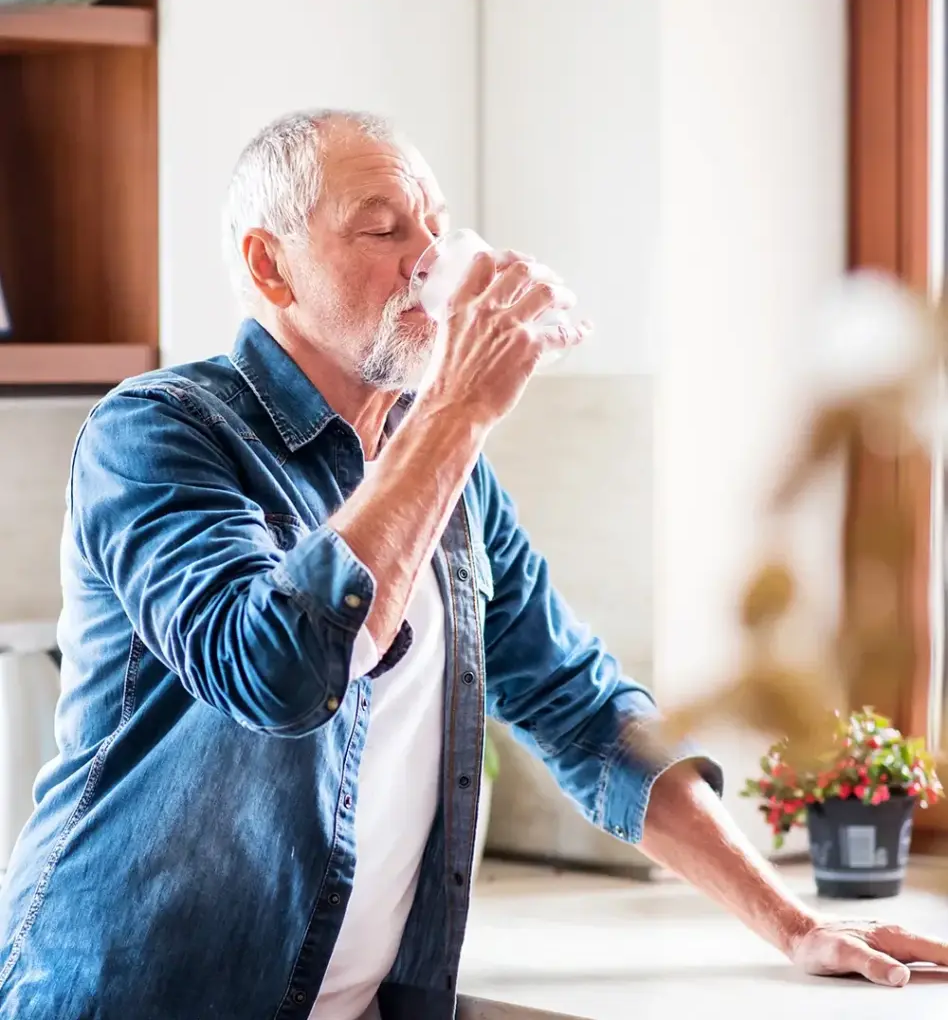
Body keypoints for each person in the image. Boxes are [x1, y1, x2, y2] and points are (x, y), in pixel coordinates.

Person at [1, 109, 946, 1020]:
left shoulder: (449, 466)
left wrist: (794, 925)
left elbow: (584, 710)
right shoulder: (159, 429)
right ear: (270, 266)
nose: (428, 256)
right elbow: (277, 672)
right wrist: (459, 409)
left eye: (436, 227)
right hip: (127, 993)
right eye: (382, 227)